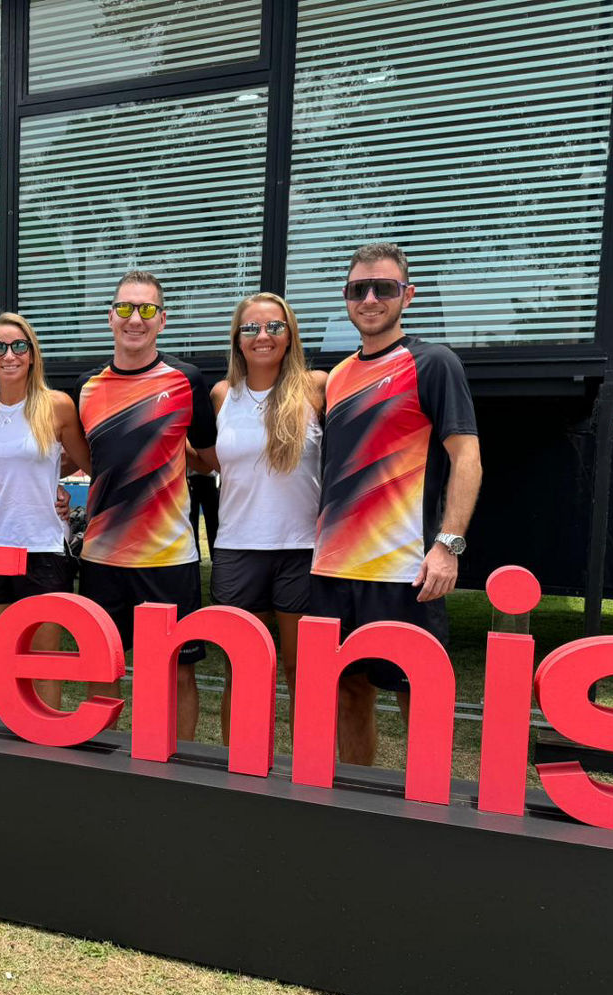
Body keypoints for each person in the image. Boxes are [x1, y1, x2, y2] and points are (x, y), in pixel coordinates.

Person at [312, 242, 482, 766]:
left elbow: (467, 458)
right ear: (346, 299)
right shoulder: (336, 378)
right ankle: (356, 802)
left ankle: (427, 811)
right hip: (335, 572)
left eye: (383, 288)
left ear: (406, 296)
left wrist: (448, 546)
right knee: (349, 694)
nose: (369, 298)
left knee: (418, 697)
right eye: (358, 289)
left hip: (404, 572)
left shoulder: (432, 362)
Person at [76, 270, 217, 740]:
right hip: (101, 557)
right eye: (124, 308)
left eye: (147, 310)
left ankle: (178, 768)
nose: (134, 319)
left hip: (167, 557)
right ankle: (101, 758)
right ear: (109, 317)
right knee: (102, 668)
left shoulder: (186, 380)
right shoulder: (86, 387)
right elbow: (83, 458)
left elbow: (209, 458)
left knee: (177, 671)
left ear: (163, 320)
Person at [201, 292, 326, 745]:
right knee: (244, 668)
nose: (262, 336)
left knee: (302, 672)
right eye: (251, 328)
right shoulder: (221, 395)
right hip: (237, 547)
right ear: (237, 338)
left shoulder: (316, 387)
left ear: (290, 334)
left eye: (274, 326)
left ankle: (306, 775)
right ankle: (243, 769)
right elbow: (209, 460)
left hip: (301, 549)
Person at [0, 313, 92, 709]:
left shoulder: (56, 406)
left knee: (43, 665)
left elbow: (86, 463)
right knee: (1, 663)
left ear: (32, 354)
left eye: (19, 346)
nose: (10, 355)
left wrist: (55, 487)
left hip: (42, 549)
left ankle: (49, 753)